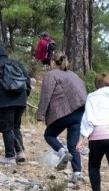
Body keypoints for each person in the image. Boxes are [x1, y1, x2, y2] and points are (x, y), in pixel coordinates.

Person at [35, 50, 87, 183]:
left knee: (49, 135)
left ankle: (62, 152)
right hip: (79, 112)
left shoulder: (51, 75)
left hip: (64, 112)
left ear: (52, 61)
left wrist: (40, 115)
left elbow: (45, 96)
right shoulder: (73, 75)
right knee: (73, 144)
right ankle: (77, 174)